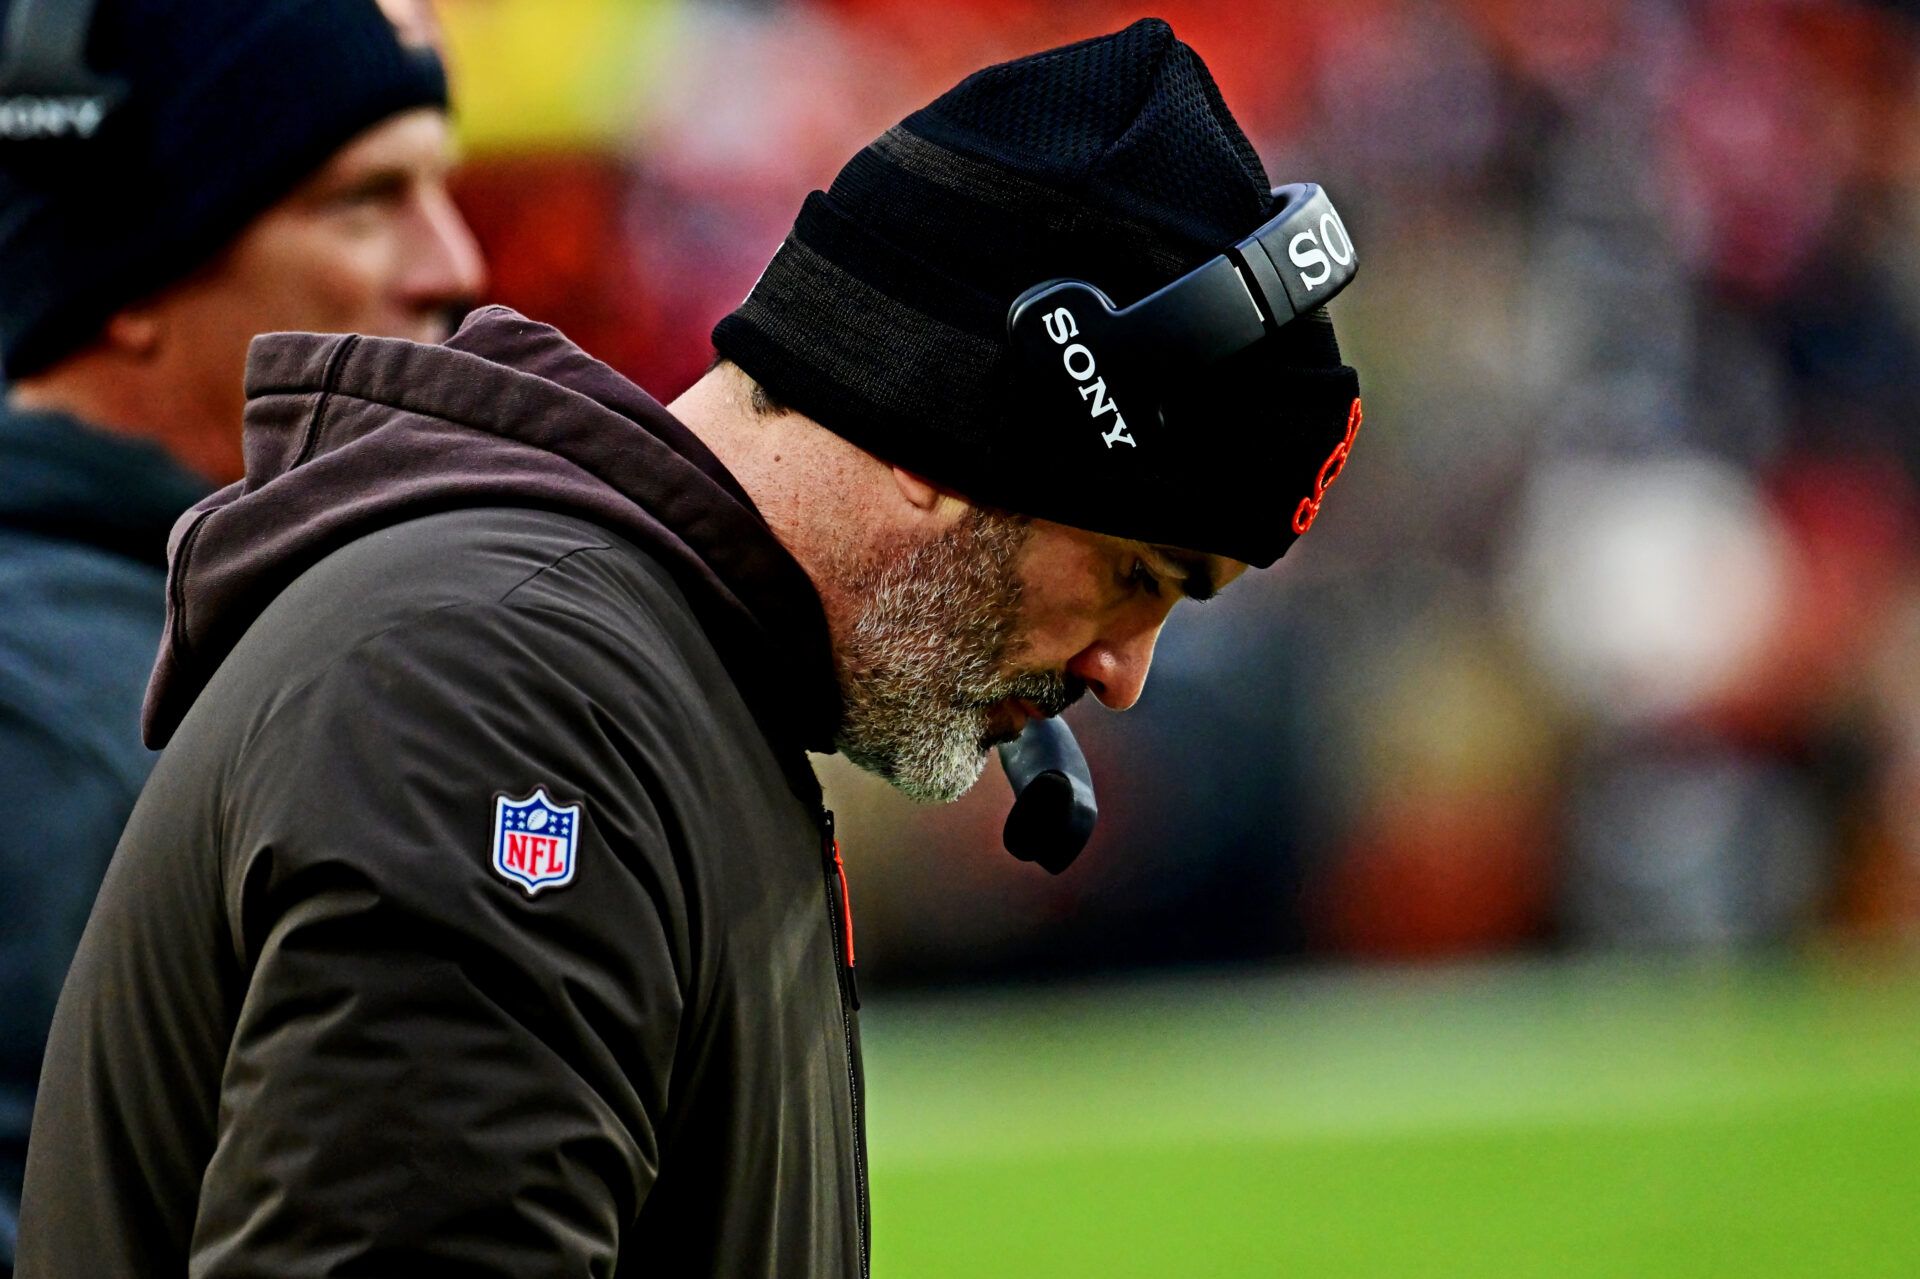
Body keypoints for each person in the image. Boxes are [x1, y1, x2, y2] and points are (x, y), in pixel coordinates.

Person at [17, 18, 1362, 1277]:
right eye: (1138, 570)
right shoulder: (511, 693)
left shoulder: (651, 675)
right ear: (958, 435)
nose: (1127, 669)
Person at [0, 0, 483, 1262]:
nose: (453, 264)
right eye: (365, 199)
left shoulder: (215, 633)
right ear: (134, 281)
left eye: (443, 187)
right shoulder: (40, 714)